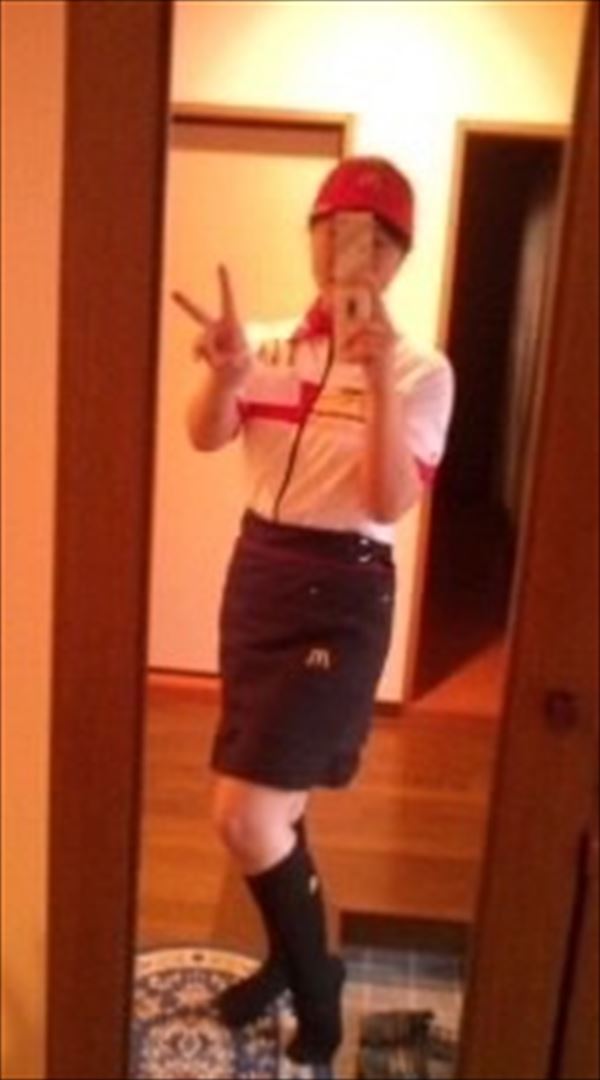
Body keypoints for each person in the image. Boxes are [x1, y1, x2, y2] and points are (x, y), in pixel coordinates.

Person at [178, 156, 455, 1068]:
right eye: (337, 233)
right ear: (313, 240)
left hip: (342, 593)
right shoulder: (264, 346)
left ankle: (317, 979)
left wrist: (375, 383)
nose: (353, 256)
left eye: (377, 242)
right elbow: (207, 434)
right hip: (258, 576)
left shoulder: (422, 371)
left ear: (400, 258)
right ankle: (286, 959)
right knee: (277, 799)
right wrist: (226, 373)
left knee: (244, 816)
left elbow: (387, 499)